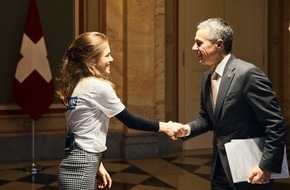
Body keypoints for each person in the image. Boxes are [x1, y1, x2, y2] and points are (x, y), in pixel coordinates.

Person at [172, 18, 286, 190]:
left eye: (198, 43)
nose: (194, 48)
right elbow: (208, 118)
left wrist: (266, 166)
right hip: (220, 169)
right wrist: (186, 129)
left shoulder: (248, 74)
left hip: (250, 171)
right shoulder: (206, 77)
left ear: (219, 45)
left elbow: (275, 124)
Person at [55, 32, 175, 190]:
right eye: (107, 55)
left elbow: (81, 132)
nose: (111, 59)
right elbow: (130, 120)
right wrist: (166, 127)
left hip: (75, 165)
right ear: (91, 60)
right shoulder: (98, 86)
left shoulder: (80, 85)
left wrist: (98, 165)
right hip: (82, 169)